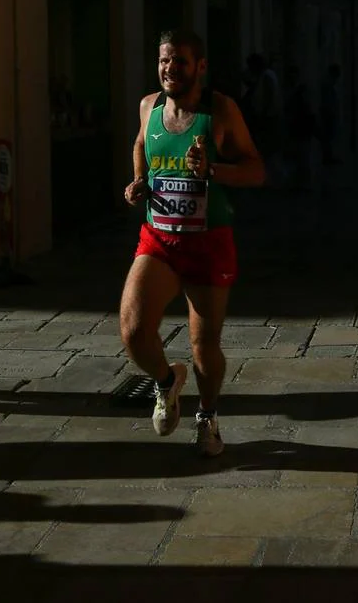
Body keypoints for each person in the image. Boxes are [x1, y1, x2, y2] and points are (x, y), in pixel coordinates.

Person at [120, 29, 266, 456]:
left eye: (180, 62)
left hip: (208, 244)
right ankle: (167, 381)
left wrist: (213, 171)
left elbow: (257, 170)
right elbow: (140, 143)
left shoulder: (220, 111)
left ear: (200, 66)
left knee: (204, 347)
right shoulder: (149, 106)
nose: (170, 69)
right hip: (159, 240)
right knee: (132, 330)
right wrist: (140, 181)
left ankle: (207, 417)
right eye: (164, 60)